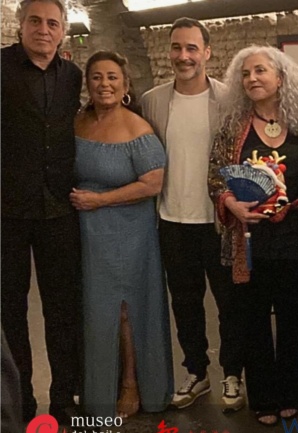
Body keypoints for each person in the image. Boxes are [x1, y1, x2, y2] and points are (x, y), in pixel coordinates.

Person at [141, 17, 244, 413]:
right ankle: (197, 372)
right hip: (172, 221)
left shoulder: (229, 99)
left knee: (229, 304)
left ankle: (232, 373)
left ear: (207, 52)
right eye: (176, 47)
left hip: (218, 222)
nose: (183, 56)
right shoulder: (152, 101)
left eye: (191, 48)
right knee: (185, 304)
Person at [208, 45, 298, 427]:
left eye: (260, 71)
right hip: (249, 242)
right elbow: (215, 177)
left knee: (292, 320)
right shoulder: (233, 126)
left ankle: (291, 393)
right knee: (253, 321)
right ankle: (264, 398)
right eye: (246, 73)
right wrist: (231, 204)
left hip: (294, 238)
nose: (252, 78)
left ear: (280, 78)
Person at [71, 50, 173, 418]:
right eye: (97, 77)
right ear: (87, 83)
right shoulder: (79, 122)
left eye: (112, 77)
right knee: (94, 310)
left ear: (125, 84)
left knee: (125, 310)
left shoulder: (137, 130)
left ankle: (132, 383)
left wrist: (100, 200)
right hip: (86, 232)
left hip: (127, 232)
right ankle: (100, 388)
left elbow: (153, 184)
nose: (104, 84)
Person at [1, 0, 82, 422]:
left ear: (63, 30)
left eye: (52, 23)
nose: (44, 29)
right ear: (21, 25)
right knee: (10, 309)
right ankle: (22, 401)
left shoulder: (72, 75)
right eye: (35, 21)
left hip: (59, 208)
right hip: (7, 210)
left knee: (63, 309)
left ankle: (64, 398)